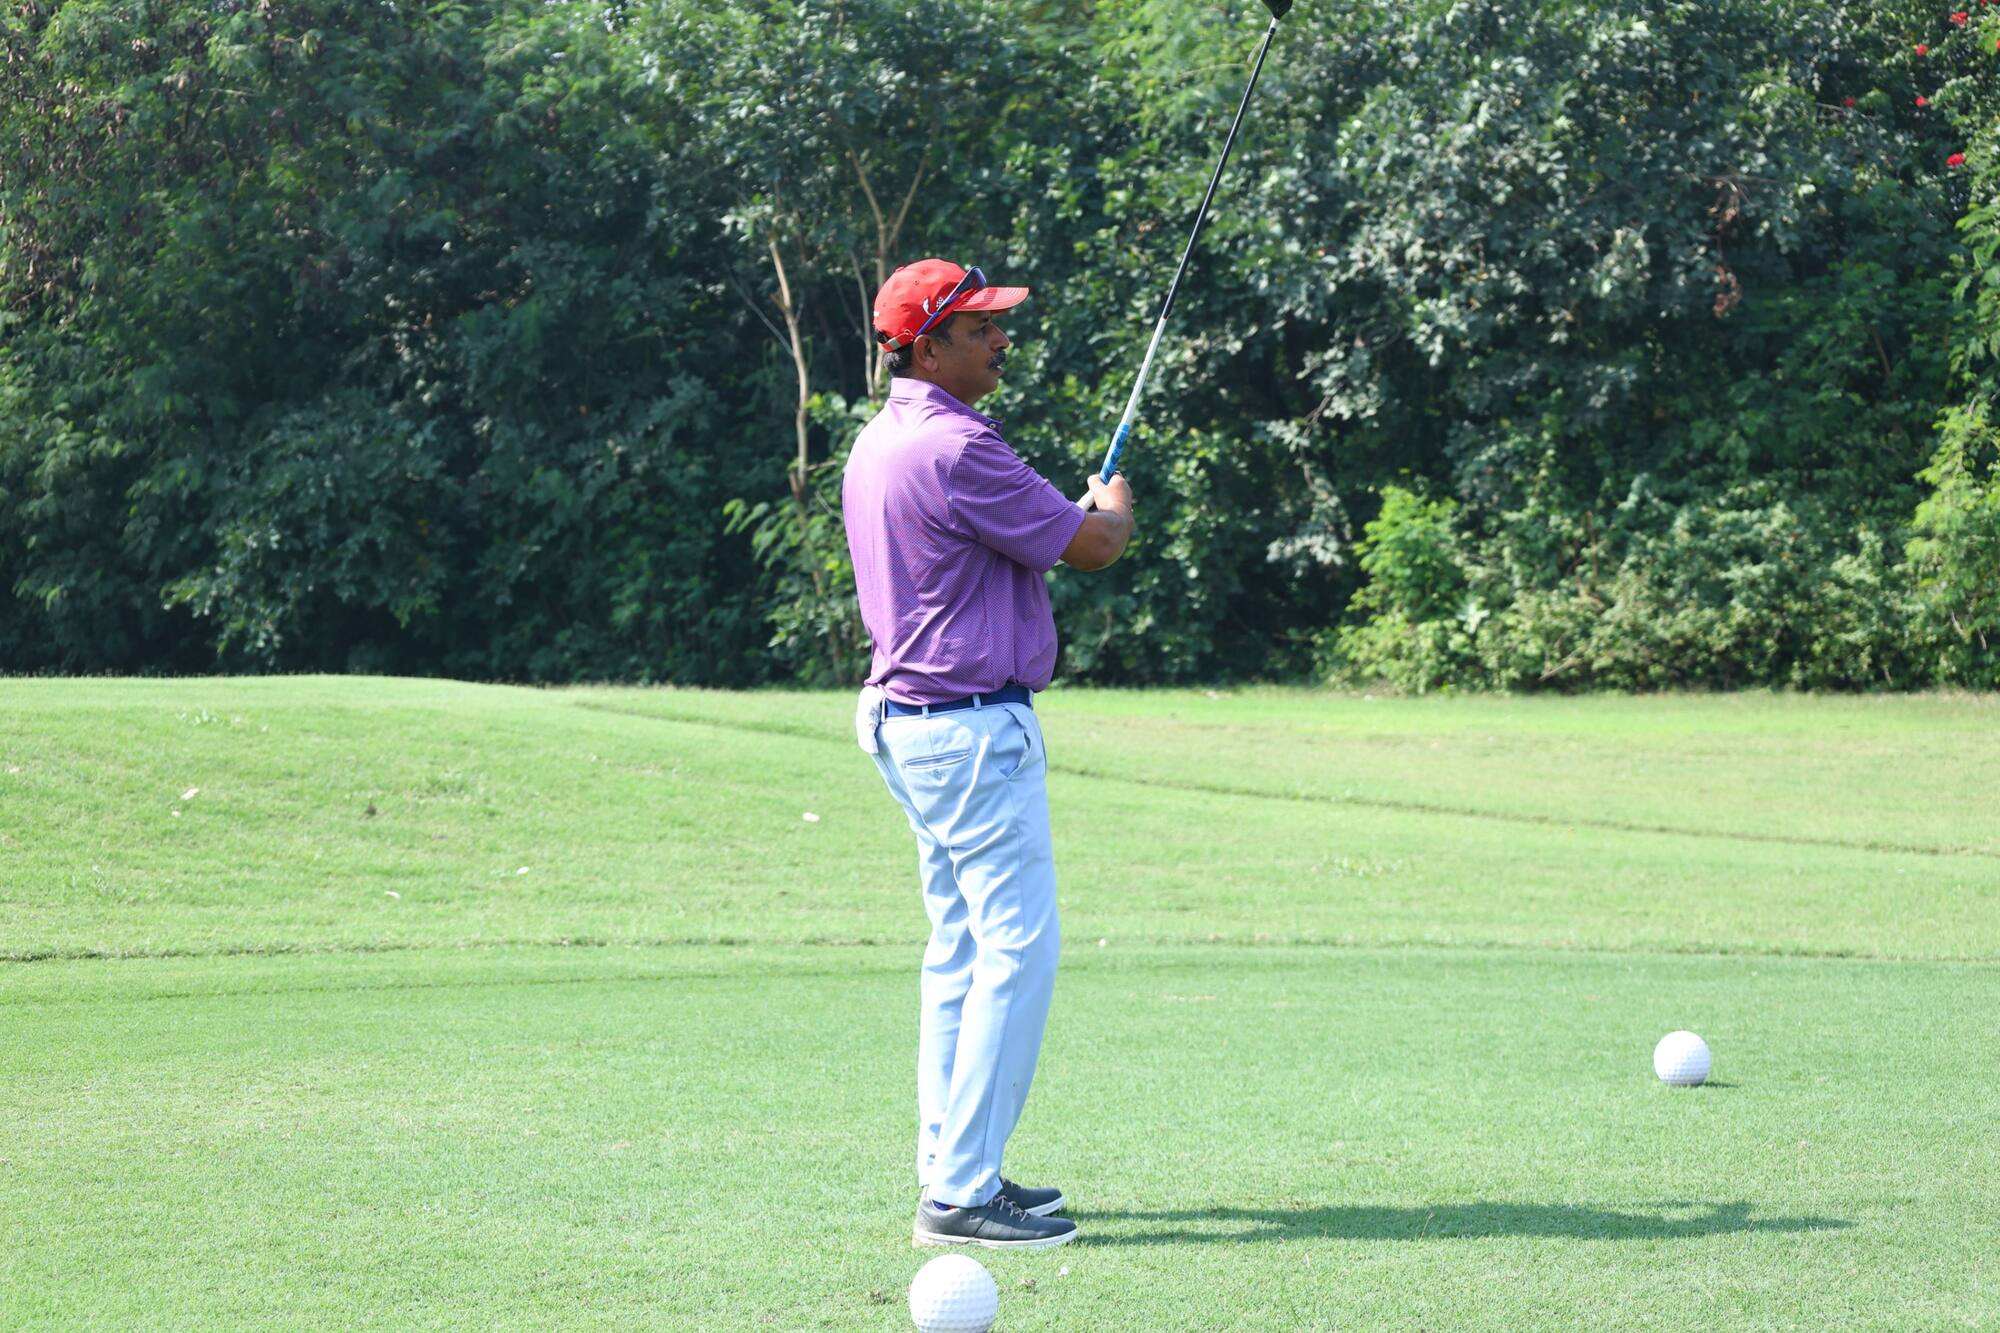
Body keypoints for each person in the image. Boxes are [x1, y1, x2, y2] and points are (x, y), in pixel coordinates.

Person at [843, 259, 1134, 1250]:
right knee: (1015, 950)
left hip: (912, 722)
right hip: (966, 727)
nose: (1001, 340)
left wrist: (1075, 514)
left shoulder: (881, 439)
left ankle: (955, 1167)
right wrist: (1114, 503)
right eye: (980, 329)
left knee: (961, 951)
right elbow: (1089, 547)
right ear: (928, 346)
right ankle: (961, 1189)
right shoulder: (957, 446)